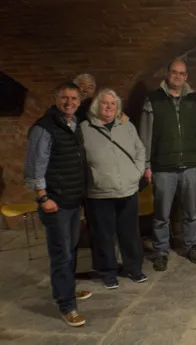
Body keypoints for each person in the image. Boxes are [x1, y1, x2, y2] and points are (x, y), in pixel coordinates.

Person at [24, 82, 92, 327]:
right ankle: (67, 306)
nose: (69, 102)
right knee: (61, 253)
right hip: (55, 202)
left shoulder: (73, 124)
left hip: (72, 198)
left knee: (70, 248)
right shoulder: (44, 128)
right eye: (65, 98)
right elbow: (35, 167)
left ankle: (68, 290)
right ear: (56, 98)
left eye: (74, 98)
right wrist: (43, 197)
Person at [139, 59, 196, 271]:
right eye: (174, 72)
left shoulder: (195, 100)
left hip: (189, 166)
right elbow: (145, 135)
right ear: (167, 74)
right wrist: (146, 164)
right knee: (161, 215)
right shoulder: (153, 100)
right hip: (162, 167)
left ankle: (191, 245)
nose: (178, 76)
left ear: (186, 76)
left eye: (182, 73)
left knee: (190, 212)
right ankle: (160, 251)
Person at [80, 89, 147, 289]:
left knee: (130, 233)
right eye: (104, 103)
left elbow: (139, 149)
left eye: (112, 103)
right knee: (103, 234)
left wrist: (137, 172)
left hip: (127, 188)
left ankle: (134, 268)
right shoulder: (84, 129)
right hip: (99, 192)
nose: (109, 107)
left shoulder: (126, 126)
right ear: (96, 106)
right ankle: (107, 271)